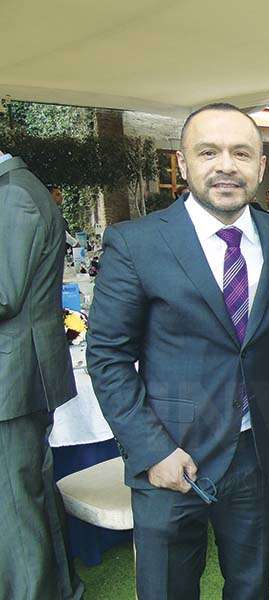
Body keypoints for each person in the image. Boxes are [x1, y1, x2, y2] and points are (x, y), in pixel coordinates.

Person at [86, 103, 269, 599]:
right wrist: (152, 449)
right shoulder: (136, 243)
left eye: (241, 153)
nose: (226, 165)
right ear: (183, 163)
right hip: (170, 453)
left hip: (256, 449)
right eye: (209, 152)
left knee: (251, 588)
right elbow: (107, 356)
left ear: (260, 166)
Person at [0, 150, 83, 599]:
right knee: (26, 495)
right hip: (17, 371)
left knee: (14, 505)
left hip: (12, 375)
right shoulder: (15, 188)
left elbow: (3, 294)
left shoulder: (13, 195)